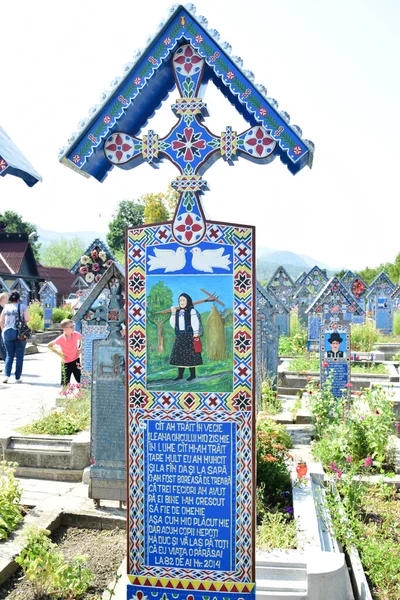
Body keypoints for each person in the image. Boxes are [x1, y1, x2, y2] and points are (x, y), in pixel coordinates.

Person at [169, 293, 203, 381]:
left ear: (188, 301)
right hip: (180, 336)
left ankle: (193, 375)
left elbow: (195, 322)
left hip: (189, 336)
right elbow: (173, 325)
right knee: (180, 356)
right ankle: (180, 375)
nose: (181, 302)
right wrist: (173, 313)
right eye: (180, 300)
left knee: (190, 355)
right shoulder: (177, 312)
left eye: (183, 300)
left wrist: (195, 332)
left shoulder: (192, 311)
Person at [0, 291, 30, 384]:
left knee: (9, 355)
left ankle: (6, 376)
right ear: (18, 299)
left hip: (8, 332)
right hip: (20, 333)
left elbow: (1, 321)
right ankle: (17, 377)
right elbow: (27, 319)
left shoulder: (6, 307)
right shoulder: (23, 307)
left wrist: (3, 331)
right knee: (19, 356)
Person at [48, 319, 82, 386]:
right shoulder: (60, 338)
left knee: (80, 379)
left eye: (73, 326)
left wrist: (80, 349)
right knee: (65, 383)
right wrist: (60, 354)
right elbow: (49, 345)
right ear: (65, 329)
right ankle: (64, 394)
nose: (73, 328)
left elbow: (85, 339)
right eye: (71, 327)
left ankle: (81, 395)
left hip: (76, 360)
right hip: (66, 363)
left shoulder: (76, 334)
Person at [0, 292, 9, 372]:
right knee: (1, 347)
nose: (7, 299)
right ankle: (7, 362)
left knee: (2, 347)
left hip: (3, 329)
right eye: (6, 298)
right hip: (1, 330)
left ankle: (7, 363)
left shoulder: (5, 308)